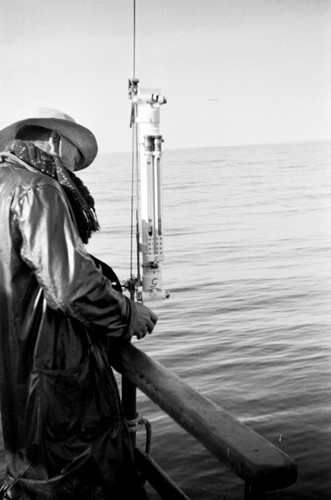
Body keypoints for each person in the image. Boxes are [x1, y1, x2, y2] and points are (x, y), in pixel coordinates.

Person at [0, 108, 157, 499]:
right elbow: (69, 286)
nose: (73, 170)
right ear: (55, 142)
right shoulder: (38, 189)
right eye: (73, 159)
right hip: (50, 383)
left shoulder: (4, 183)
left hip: (12, 373)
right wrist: (126, 313)